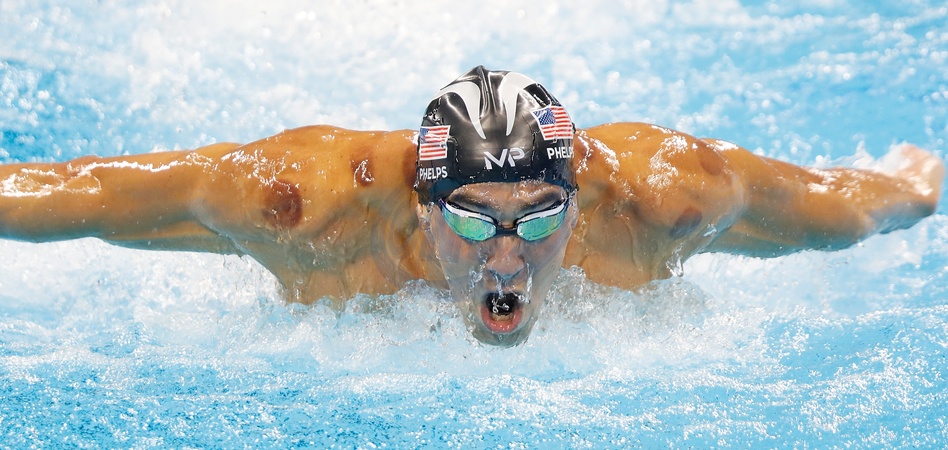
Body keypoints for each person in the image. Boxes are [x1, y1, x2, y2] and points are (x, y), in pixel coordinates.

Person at [0, 66, 943, 346]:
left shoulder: (663, 198)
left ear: (579, 199)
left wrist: (916, 185)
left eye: (540, 218)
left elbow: (842, 206)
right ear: (420, 204)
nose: (506, 259)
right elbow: (87, 193)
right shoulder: (306, 209)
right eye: (470, 219)